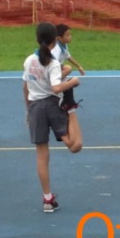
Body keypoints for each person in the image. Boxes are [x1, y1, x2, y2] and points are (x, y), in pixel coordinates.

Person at [22, 22, 83, 213]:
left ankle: (47, 198)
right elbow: (56, 88)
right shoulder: (53, 63)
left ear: (37, 39)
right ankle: (72, 110)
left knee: (42, 155)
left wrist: (28, 110)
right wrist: (73, 81)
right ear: (53, 41)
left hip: (35, 108)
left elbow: (25, 87)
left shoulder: (29, 60)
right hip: (51, 105)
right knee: (74, 145)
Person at [54, 23, 85, 112]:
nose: (70, 37)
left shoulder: (63, 45)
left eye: (70, 34)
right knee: (68, 69)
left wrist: (79, 66)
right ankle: (54, 84)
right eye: (67, 35)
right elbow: (52, 63)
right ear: (59, 38)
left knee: (72, 79)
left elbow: (68, 57)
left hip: (57, 70)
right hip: (52, 71)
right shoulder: (56, 49)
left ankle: (66, 101)